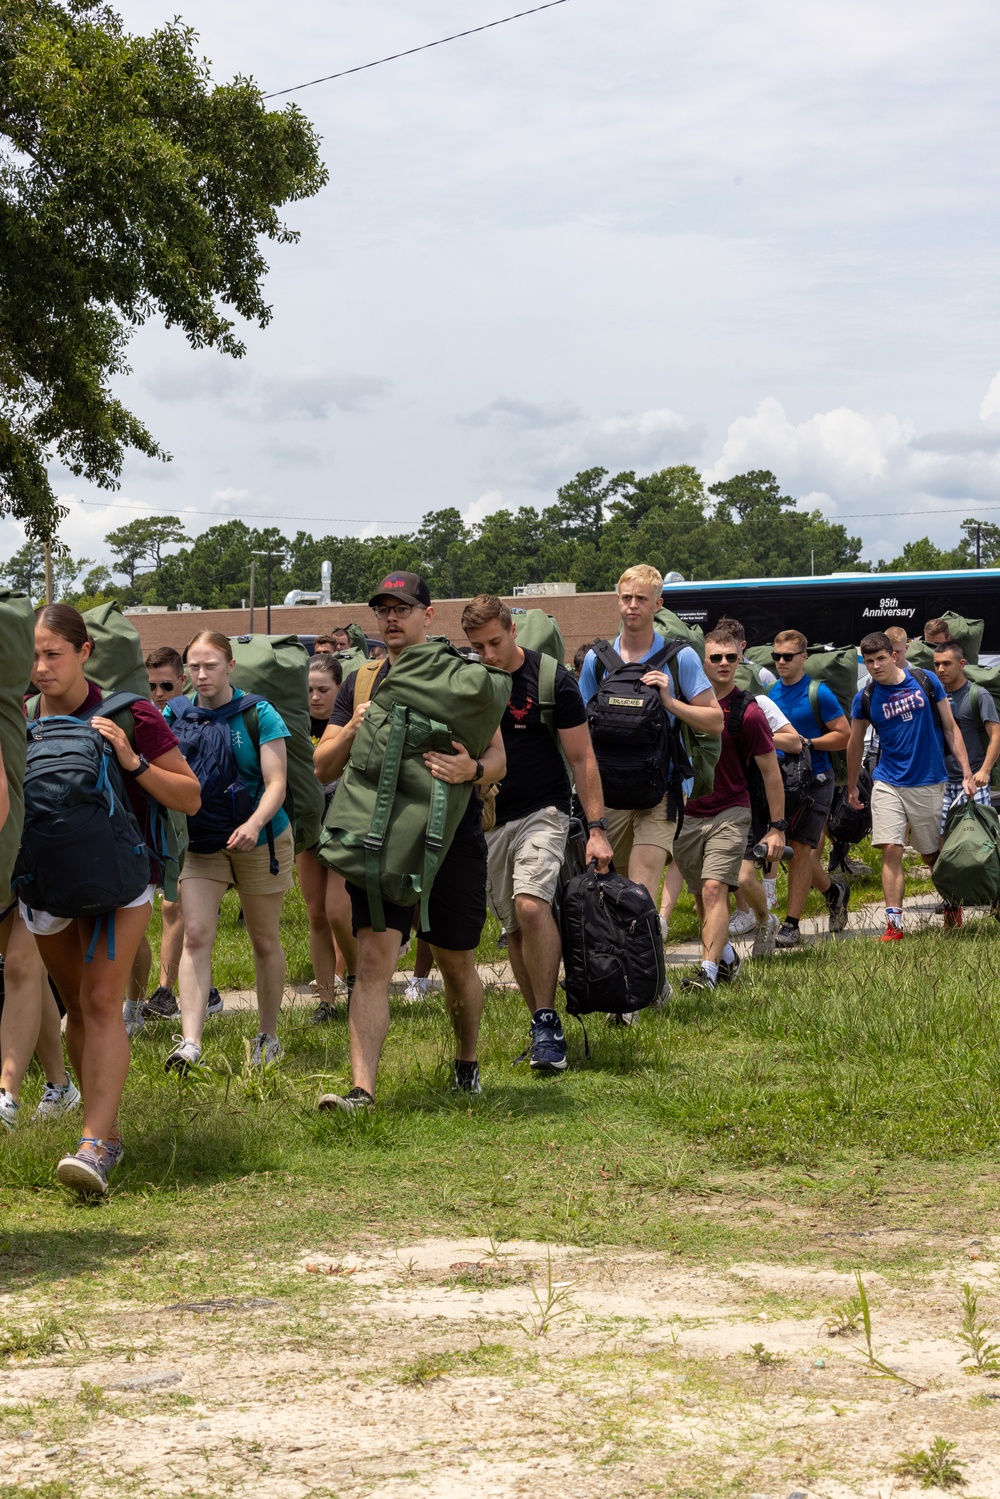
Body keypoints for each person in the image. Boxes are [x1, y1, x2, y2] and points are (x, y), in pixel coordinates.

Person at [17, 605, 200, 1193]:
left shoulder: (131, 712)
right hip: (45, 886)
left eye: (54, 654)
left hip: (122, 882)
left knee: (100, 1001)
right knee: (75, 1005)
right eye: (34, 656)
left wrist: (133, 759)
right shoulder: (16, 721)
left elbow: (189, 797)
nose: (42, 668)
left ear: (85, 651)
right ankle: (107, 1132)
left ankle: (95, 1143)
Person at [313, 572, 505, 1111]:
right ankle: (362, 1091)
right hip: (381, 838)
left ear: (428, 614)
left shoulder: (460, 678)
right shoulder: (361, 682)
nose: (391, 618)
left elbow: (498, 759)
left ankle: (467, 1061)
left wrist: (472, 768)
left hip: (451, 836)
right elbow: (322, 764)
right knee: (373, 960)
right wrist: (354, 728)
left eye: (402, 608)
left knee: (455, 962)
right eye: (383, 609)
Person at [462, 594, 613, 1071]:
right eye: (477, 646)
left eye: (494, 642)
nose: (487, 654)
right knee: (512, 927)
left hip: (543, 812)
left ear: (512, 629)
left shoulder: (551, 680)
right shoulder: (470, 683)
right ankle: (542, 1029)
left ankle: (547, 1017)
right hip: (489, 822)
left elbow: (582, 758)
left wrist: (596, 828)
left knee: (532, 904)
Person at [163, 631, 293, 1072]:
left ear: (230, 665)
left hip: (262, 837)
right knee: (196, 935)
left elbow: (277, 782)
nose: (201, 675)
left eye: (211, 665)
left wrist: (254, 824)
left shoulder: (259, 713)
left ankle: (268, 1035)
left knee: (263, 939)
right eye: (194, 667)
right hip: (203, 843)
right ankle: (190, 1043)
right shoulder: (174, 713)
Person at [577, 565, 723, 904]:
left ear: (658, 604)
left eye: (641, 599)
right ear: (617, 601)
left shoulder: (679, 657)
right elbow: (581, 728)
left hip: (662, 790)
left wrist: (670, 702)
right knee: (615, 887)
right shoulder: (596, 661)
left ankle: (645, 953)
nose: (632, 605)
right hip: (610, 791)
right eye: (626, 598)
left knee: (640, 891)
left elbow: (715, 721)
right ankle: (631, 951)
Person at [673, 627, 786, 988]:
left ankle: (708, 972)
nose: (724, 664)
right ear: (700, 660)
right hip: (688, 813)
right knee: (701, 900)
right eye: (715, 658)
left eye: (731, 658)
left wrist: (777, 826)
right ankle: (730, 954)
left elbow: (771, 773)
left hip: (731, 810)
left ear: (741, 657)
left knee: (716, 888)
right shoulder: (682, 703)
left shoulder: (748, 712)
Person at [847, 631, 974, 939]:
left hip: (928, 780)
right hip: (887, 780)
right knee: (890, 848)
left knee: (931, 854)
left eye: (880, 659)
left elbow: (950, 727)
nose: (875, 666)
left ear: (894, 655)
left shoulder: (925, 680)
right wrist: (851, 785)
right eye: (869, 661)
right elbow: (854, 743)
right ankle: (895, 925)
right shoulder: (865, 697)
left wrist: (967, 772)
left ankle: (952, 902)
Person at [126, 646, 203, 1034]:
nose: (158, 693)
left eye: (166, 685)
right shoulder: (137, 714)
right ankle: (154, 995)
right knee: (146, 914)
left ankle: (165, 990)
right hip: (150, 826)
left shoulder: (190, 717)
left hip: (186, 823)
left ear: (182, 681)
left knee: (173, 908)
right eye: (151, 685)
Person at [766, 629, 851, 948]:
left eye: (788, 656)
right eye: (777, 656)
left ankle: (791, 925)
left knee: (801, 850)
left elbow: (843, 735)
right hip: (782, 782)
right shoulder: (770, 691)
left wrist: (807, 743)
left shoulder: (819, 693)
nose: (782, 661)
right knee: (787, 851)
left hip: (816, 779)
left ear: (804, 657)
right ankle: (834, 891)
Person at [302, 653, 357, 1020]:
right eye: (309, 690)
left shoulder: (348, 726)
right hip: (308, 823)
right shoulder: (293, 724)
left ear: (340, 690)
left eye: (323, 689)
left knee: (338, 912)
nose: (315, 697)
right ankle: (326, 1000)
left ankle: (356, 979)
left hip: (343, 821)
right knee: (316, 914)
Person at [931, 641, 1000, 925]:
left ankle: (995, 899)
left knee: (980, 845)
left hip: (972, 784)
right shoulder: (935, 695)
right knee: (944, 849)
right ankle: (952, 904)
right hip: (939, 783)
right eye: (936, 664)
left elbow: (996, 735)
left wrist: (984, 770)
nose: (941, 669)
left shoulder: (977, 695)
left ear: (961, 664)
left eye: (946, 663)